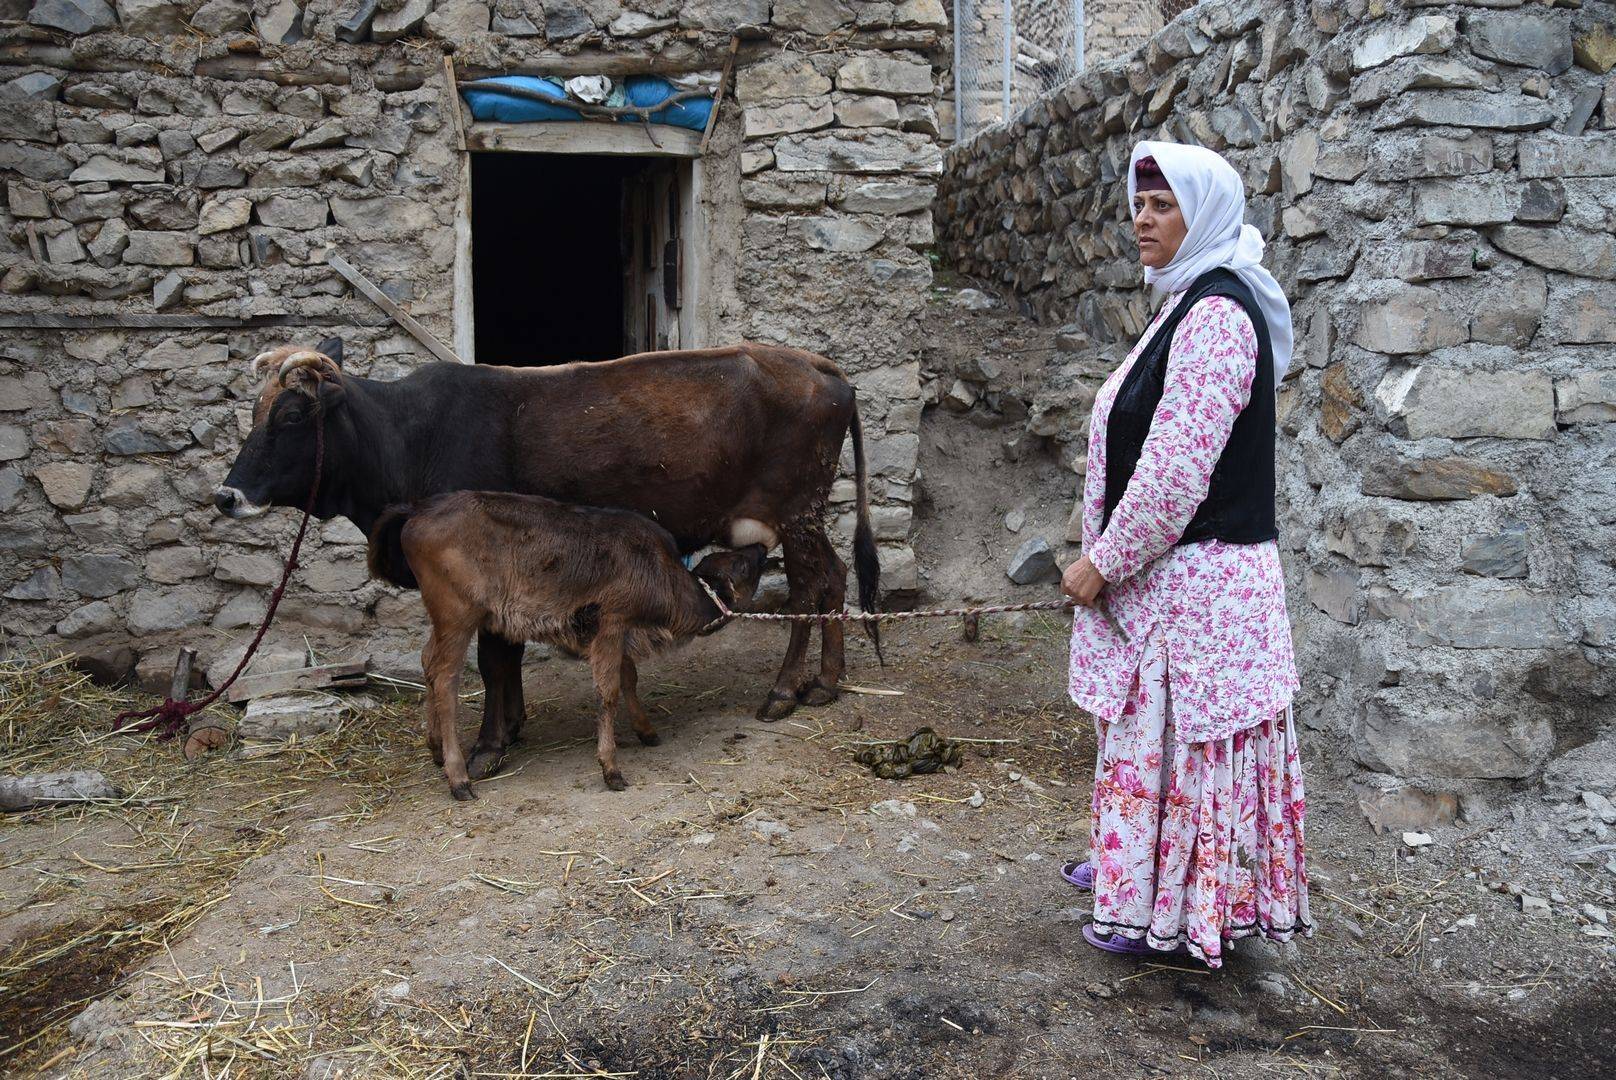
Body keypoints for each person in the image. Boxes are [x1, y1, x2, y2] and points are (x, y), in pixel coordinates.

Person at [1058, 141, 1312, 968]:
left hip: (1202, 590)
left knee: (1187, 750)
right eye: (1138, 202)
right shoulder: (1185, 305)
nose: (1141, 218)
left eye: (1162, 204)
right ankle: (1137, 873)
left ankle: (1166, 906)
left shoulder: (1219, 318)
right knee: (1150, 745)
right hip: (1176, 582)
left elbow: (1173, 476)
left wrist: (1103, 562)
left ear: (1201, 215)